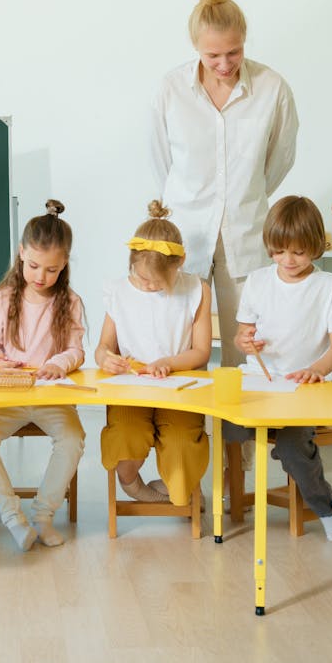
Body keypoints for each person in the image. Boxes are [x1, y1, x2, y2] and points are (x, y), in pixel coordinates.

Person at [152, 0, 299, 367]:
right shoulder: (171, 90)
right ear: (195, 47)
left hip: (247, 233)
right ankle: (189, 428)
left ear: (245, 41)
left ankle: (241, 430)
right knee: (183, 343)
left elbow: (280, 158)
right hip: (184, 234)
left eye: (233, 52)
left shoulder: (272, 88)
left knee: (247, 343)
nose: (224, 64)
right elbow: (161, 162)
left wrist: (244, 192)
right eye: (212, 55)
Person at [224, 195, 332, 541]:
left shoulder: (328, 286)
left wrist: (316, 369)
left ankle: (326, 507)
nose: (288, 260)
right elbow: (242, 334)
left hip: (307, 389)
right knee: (225, 425)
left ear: (315, 247)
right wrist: (245, 343)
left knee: (293, 444)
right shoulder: (258, 280)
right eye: (279, 251)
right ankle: (227, 499)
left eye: (298, 252)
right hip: (261, 380)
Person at [0, 199, 86, 551]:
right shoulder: (5, 298)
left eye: (51, 270)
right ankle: (13, 517)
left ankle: (43, 515)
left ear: (64, 264)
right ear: (21, 253)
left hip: (51, 396)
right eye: (33, 266)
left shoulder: (71, 301)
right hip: (10, 395)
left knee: (73, 438)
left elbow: (76, 350)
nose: (40, 276)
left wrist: (58, 364)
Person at [95, 201, 211, 506]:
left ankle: (179, 491)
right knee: (125, 435)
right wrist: (105, 357)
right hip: (133, 385)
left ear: (180, 263)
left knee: (182, 442)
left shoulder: (196, 289)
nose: (146, 285)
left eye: (155, 281)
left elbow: (201, 352)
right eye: (140, 276)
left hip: (180, 384)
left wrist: (169, 363)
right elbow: (103, 346)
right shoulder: (119, 290)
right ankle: (136, 488)